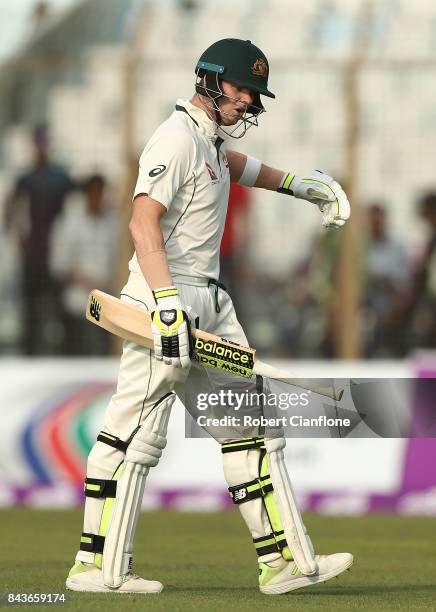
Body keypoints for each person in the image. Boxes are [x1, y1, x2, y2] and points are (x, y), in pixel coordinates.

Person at [66, 38, 352, 595]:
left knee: (249, 431)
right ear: (209, 79)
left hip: (210, 304)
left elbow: (239, 166)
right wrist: (168, 304)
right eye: (242, 88)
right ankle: (97, 568)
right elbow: (142, 221)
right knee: (136, 435)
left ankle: (281, 564)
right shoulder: (174, 138)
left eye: (254, 93)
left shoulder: (210, 142)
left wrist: (299, 185)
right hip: (162, 299)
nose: (249, 100)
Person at [4, 126, 75, 354]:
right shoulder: (27, 179)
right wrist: (18, 237)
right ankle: (30, 350)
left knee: (57, 304)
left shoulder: (58, 179)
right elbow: (11, 211)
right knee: (31, 306)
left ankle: (59, 350)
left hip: (55, 251)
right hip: (33, 250)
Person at [49, 174, 117, 355]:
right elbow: (59, 265)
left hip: (108, 306)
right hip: (78, 305)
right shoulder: (70, 223)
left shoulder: (112, 222)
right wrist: (86, 282)